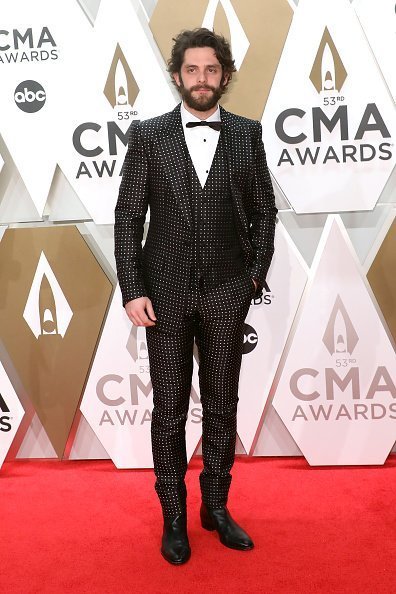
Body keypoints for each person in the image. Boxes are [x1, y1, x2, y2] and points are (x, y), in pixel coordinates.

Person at [114, 27, 277, 565]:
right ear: (177, 76)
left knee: (223, 405)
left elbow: (264, 210)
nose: (201, 79)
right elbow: (127, 219)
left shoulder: (246, 135)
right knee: (167, 410)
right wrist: (133, 289)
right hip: (162, 296)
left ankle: (216, 507)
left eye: (211, 70)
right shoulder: (150, 134)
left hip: (228, 292)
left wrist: (253, 276)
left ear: (224, 75)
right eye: (192, 70)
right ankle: (174, 518)